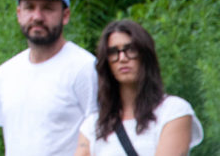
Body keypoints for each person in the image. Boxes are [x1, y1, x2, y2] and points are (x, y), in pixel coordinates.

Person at [0, 0, 97, 156]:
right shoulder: (4, 75)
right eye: (29, 7)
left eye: (47, 8)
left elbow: (102, 136)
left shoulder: (85, 68)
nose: (37, 17)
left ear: (65, 15)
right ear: (19, 14)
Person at [75, 19, 203, 155]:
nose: (122, 58)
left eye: (130, 49)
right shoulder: (93, 125)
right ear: (106, 63)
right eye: (113, 52)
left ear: (145, 55)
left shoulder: (173, 111)